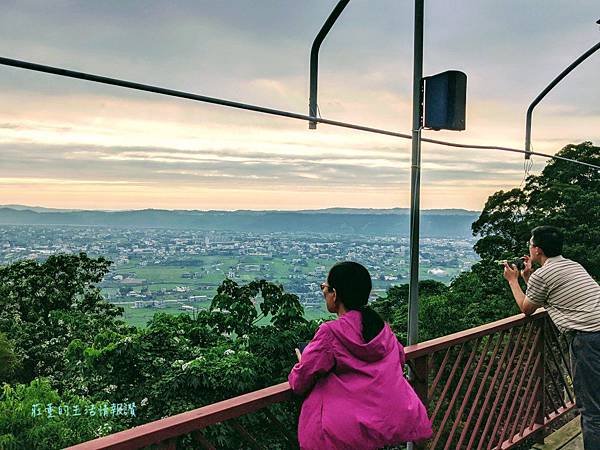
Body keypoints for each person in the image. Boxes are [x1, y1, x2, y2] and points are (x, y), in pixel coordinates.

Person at [288, 261, 432, 450]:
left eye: (325, 287)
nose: (323, 291)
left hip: (338, 432)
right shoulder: (381, 329)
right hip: (378, 424)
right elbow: (398, 359)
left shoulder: (330, 332)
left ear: (336, 294)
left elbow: (299, 382)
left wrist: (303, 361)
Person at [502, 226, 600, 450]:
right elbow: (549, 293)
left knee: (592, 411)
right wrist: (529, 277)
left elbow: (527, 308)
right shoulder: (572, 265)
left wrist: (513, 280)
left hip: (589, 341)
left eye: (530, 244)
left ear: (536, 249)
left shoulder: (544, 275)